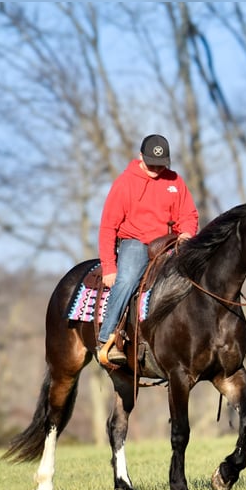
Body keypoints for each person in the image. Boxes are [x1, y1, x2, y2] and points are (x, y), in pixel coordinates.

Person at [97, 134, 199, 365]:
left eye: (161, 164)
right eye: (151, 163)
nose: (156, 169)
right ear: (140, 157)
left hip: (171, 242)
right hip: (137, 242)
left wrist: (187, 233)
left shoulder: (175, 181)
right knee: (127, 280)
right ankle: (107, 337)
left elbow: (188, 214)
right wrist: (109, 267)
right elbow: (107, 226)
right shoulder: (125, 183)